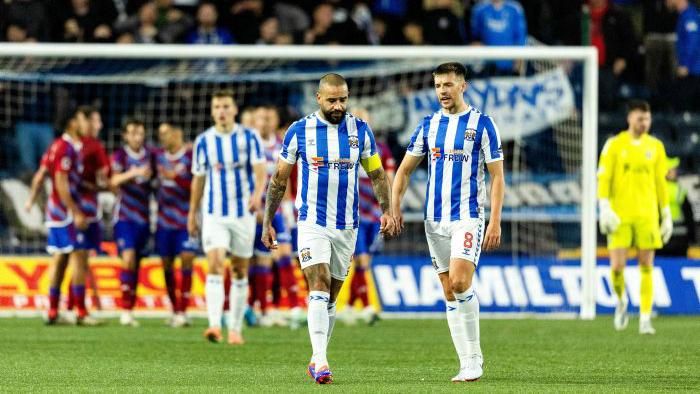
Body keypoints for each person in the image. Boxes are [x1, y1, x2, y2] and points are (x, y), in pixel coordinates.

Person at [261, 73, 396, 384]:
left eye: (343, 99)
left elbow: (376, 175)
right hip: (311, 222)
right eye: (332, 100)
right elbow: (279, 179)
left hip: (347, 225)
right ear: (318, 98)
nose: (338, 105)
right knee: (318, 283)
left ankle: (316, 355)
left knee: (331, 296)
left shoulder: (360, 131)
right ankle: (321, 360)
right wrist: (268, 221)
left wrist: (387, 211)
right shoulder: (299, 131)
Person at [391, 62, 505, 382]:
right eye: (438, 85)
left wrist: (495, 220)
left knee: (458, 281)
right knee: (448, 290)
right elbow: (404, 170)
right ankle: (466, 361)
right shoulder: (428, 125)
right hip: (434, 220)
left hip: (467, 217)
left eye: (449, 85)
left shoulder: (483, 124)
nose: (443, 91)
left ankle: (473, 357)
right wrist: (394, 207)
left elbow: (497, 177)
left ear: (463, 85)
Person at [187, 89, 266, 345]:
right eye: (217, 106)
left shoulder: (249, 137)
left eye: (225, 106)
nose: (221, 111)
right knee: (215, 263)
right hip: (213, 214)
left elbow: (260, 170)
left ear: (234, 110)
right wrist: (192, 212)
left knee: (240, 270)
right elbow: (198, 180)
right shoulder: (203, 141)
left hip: (243, 213)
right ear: (212, 111)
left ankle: (235, 328)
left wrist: (257, 195)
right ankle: (213, 325)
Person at [597, 100, 672, 335]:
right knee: (617, 266)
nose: (644, 123)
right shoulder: (614, 145)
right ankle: (621, 302)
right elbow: (604, 178)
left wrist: (666, 212)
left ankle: (645, 318)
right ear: (630, 118)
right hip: (619, 215)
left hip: (648, 215)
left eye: (647, 119)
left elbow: (661, 182)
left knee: (647, 265)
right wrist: (604, 206)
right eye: (640, 118)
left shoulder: (656, 147)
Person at [345, 107, 395, 325]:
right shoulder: (342, 147)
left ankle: (348, 306)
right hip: (352, 215)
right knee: (361, 259)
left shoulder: (381, 149)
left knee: (365, 262)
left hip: (374, 214)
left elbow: (388, 179)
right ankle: (366, 307)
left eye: (363, 118)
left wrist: (390, 207)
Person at [38, 108, 89, 324]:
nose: (84, 123)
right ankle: (79, 311)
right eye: (81, 119)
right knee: (77, 255)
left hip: (56, 211)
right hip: (64, 212)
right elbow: (61, 182)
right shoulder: (66, 148)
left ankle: (52, 310)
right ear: (72, 123)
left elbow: (43, 174)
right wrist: (76, 211)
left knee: (60, 258)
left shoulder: (59, 145)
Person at [110, 119, 155, 327]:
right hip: (124, 217)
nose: (137, 137)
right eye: (133, 133)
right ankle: (125, 310)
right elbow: (113, 181)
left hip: (144, 218)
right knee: (127, 258)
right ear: (125, 136)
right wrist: (135, 173)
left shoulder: (151, 155)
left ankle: (130, 309)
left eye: (140, 133)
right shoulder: (120, 156)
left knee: (136, 264)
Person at [155, 123, 197, 327]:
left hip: (186, 218)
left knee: (187, 259)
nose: (163, 137)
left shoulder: (191, 158)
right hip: (163, 220)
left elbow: (198, 184)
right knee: (167, 263)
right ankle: (174, 308)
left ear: (178, 133)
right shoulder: (157, 157)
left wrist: (177, 179)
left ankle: (183, 309)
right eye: (160, 134)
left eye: (166, 133)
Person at [667, 0, 700, 111]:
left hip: (693, 70)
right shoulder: (684, 15)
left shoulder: (689, 15)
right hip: (692, 69)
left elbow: (693, 40)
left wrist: (685, 64)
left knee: (685, 106)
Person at [660, 157, 696, 256]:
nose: (675, 172)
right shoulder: (679, 190)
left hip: (661, 236)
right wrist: (692, 238)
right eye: (672, 169)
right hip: (680, 238)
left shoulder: (654, 189)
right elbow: (689, 216)